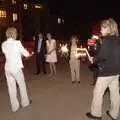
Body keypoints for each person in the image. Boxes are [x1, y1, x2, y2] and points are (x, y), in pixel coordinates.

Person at [86, 18, 120, 120]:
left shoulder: (107, 39)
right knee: (115, 93)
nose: (100, 30)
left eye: (102, 28)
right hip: (116, 70)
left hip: (106, 71)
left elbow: (103, 56)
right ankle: (114, 114)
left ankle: (96, 114)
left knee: (97, 92)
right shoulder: (117, 39)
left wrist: (94, 59)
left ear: (108, 28)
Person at [1, 27, 31, 112]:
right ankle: (25, 103)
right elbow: (25, 54)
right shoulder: (17, 43)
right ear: (14, 33)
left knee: (11, 88)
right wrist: (28, 54)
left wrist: (18, 55)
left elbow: (9, 54)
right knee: (22, 85)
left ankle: (14, 107)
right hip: (16, 68)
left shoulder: (3, 44)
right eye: (16, 32)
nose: (17, 34)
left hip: (7, 69)